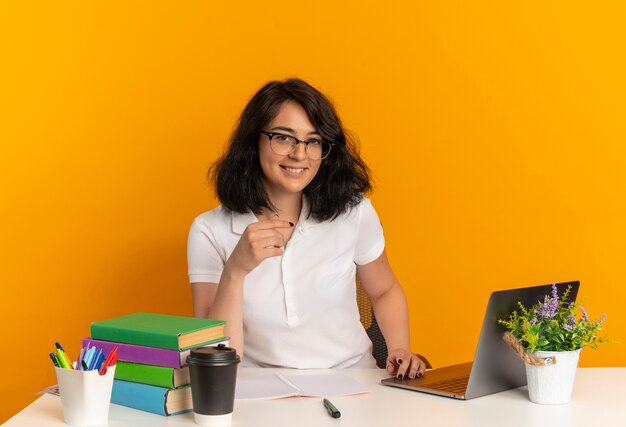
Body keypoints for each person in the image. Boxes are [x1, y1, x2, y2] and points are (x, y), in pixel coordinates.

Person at [187, 78, 426, 380]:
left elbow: (384, 290)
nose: (300, 154)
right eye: (284, 138)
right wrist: (235, 270)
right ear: (253, 141)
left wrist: (400, 349)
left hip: (355, 383)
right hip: (259, 390)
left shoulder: (353, 212)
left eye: (313, 141)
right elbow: (213, 353)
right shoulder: (209, 230)